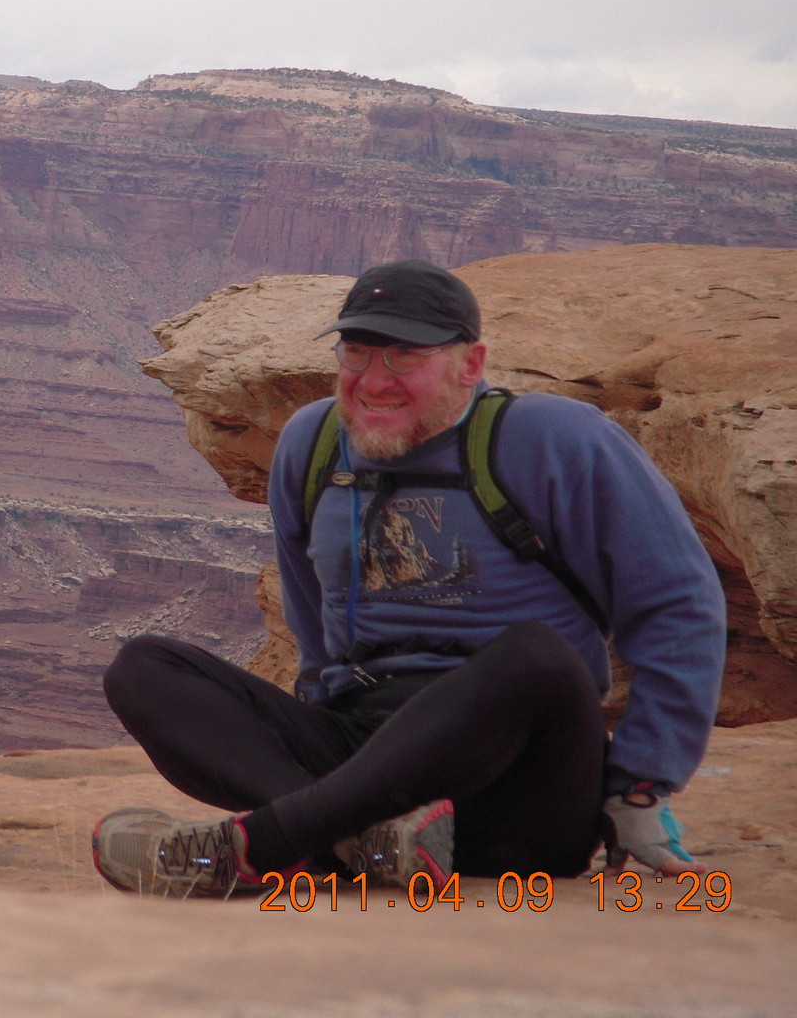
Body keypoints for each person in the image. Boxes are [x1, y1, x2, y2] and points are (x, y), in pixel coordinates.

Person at [92, 260, 725, 897]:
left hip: (519, 789)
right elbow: (315, 633)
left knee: (537, 656)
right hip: (367, 749)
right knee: (145, 669)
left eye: (404, 356)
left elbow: (678, 603)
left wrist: (641, 784)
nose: (373, 381)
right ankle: (362, 842)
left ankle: (269, 844)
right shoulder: (312, 444)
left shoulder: (553, 440)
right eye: (356, 352)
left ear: (470, 365)